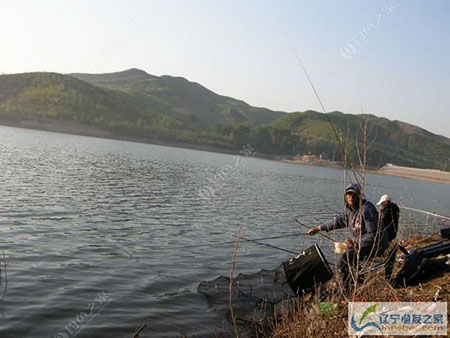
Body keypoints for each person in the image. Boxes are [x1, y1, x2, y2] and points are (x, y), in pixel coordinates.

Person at [307, 183, 389, 293]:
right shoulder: (350, 211)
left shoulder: (366, 209)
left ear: (359, 195)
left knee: (345, 259)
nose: (350, 197)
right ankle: (358, 281)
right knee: (352, 256)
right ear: (345, 196)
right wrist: (318, 228)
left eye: (353, 194)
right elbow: (338, 222)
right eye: (348, 194)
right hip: (363, 243)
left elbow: (374, 235)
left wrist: (356, 243)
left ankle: (347, 290)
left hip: (377, 245)